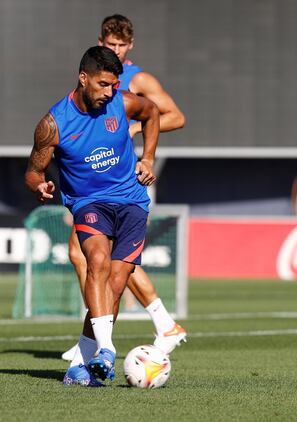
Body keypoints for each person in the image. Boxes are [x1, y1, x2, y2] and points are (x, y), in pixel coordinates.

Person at [26, 46, 160, 386]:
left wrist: (149, 158)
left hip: (132, 201)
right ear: (83, 78)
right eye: (102, 84)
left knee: (115, 285)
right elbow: (33, 171)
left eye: (114, 84)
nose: (109, 92)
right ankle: (107, 351)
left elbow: (153, 112)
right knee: (96, 262)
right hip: (89, 203)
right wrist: (39, 186)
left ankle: (84, 363)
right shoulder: (53, 124)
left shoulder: (122, 102)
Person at [62, 14, 187, 362]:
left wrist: (133, 130)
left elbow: (174, 116)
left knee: (102, 258)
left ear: (130, 46)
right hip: (96, 180)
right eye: (110, 44)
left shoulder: (138, 78)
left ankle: (95, 339)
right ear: (101, 42)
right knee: (99, 259)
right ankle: (153, 325)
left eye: (122, 45)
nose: (116, 49)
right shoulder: (98, 75)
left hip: (126, 179)